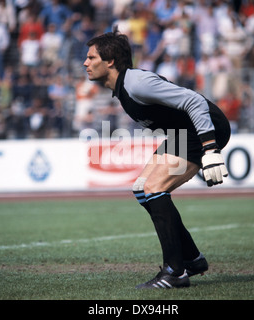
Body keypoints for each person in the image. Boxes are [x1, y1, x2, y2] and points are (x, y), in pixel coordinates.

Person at [83, 29, 231, 289]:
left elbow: (195, 101)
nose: (85, 63)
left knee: (154, 188)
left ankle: (175, 272)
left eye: (91, 57)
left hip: (203, 129)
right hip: (181, 133)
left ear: (109, 62)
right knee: (142, 189)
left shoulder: (137, 83)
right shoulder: (123, 88)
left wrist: (210, 149)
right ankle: (192, 259)